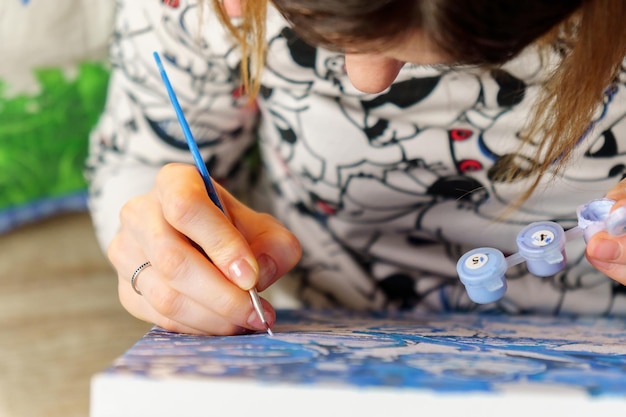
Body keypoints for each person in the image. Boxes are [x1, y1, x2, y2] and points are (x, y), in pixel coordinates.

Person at [87, 0, 626, 335]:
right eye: (317, 25)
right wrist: (159, 240)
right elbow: (139, 158)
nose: (366, 81)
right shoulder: (200, 6)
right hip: (320, 321)